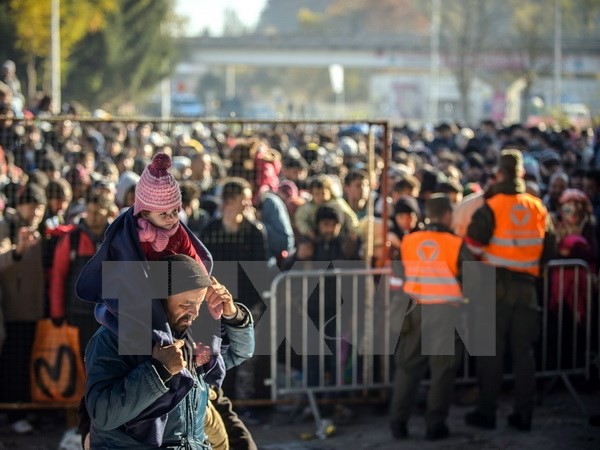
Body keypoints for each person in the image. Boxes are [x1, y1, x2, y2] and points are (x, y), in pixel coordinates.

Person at [84, 254, 254, 449]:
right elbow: (102, 414)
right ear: (159, 300)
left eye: (198, 304)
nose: (194, 313)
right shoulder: (114, 336)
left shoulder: (191, 336)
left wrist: (233, 315)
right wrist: (159, 371)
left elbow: (238, 353)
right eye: (185, 304)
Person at [464, 149, 556, 431]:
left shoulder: (491, 206)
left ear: (499, 173)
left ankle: (487, 412)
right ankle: (523, 414)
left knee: (491, 353)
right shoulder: (537, 207)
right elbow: (549, 248)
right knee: (523, 354)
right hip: (527, 288)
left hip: (495, 287)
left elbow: (473, 246)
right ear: (522, 174)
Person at [390, 195, 476, 440]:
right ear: (448, 215)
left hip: (414, 310)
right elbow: (473, 281)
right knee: (442, 372)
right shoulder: (456, 244)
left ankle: (398, 423)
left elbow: (398, 277)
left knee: (407, 369)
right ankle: (434, 426)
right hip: (446, 314)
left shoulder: (409, 241)